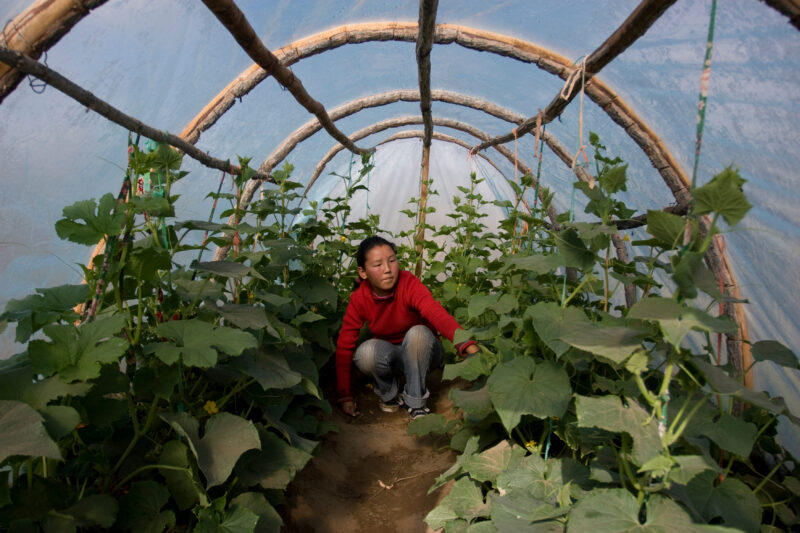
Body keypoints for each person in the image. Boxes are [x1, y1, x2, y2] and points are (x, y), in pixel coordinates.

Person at [335, 236, 479, 420]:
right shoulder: (359, 299)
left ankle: (415, 402)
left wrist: (466, 345)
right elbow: (344, 346)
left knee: (417, 333)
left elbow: (437, 314)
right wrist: (345, 395)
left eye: (392, 261)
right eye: (378, 265)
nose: (387, 269)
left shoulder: (408, 283)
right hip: (393, 357)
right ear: (363, 273)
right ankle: (389, 393)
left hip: (425, 351)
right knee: (365, 353)